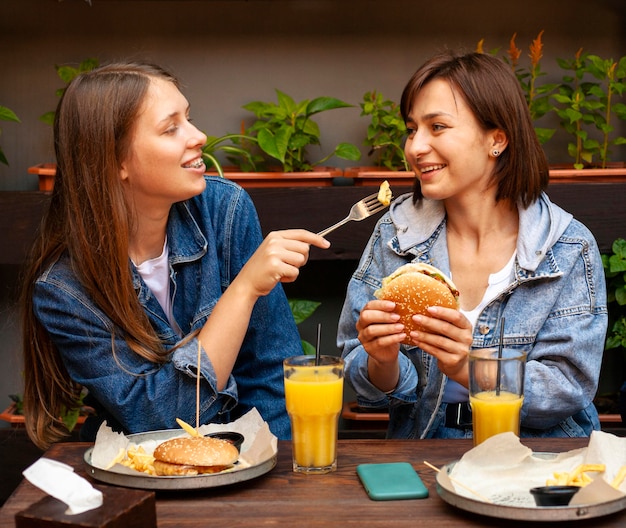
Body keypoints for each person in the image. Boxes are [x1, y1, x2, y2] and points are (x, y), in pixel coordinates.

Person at [21, 62, 330, 450]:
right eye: (171, 128)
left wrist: (277, 477)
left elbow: (269, 374)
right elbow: (166, 416)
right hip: (140, 475)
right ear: (115, 161)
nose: (199, 136)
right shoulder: (64, 291)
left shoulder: (225, 210)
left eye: (190, 119)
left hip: (248, 459)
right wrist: (243, 289)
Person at [337, 51, 607, 439]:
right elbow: (366, 383)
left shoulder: (567, 247)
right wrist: (383, 361)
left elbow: (567, 389)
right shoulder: (394, 235)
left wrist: (474, 367)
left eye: (438, 127)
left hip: (539, 458)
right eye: (413, 129)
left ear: (496, 139)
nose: (415, 147)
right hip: (423, 452)